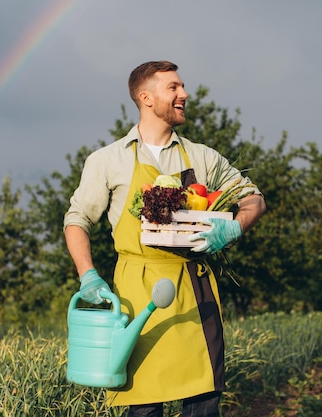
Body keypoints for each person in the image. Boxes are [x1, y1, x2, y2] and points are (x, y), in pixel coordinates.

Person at [64, 60, 266, 417]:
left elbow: (254, 198)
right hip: (135, 296)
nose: (184, 94)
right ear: (146, 97)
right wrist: (87, 275)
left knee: (204, 405)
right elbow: (77, 220)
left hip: (194, 291)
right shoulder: (108, 160)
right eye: (173, 87)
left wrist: (234, 226)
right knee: (142, 408)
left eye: (182, 87)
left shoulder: (202, 156)